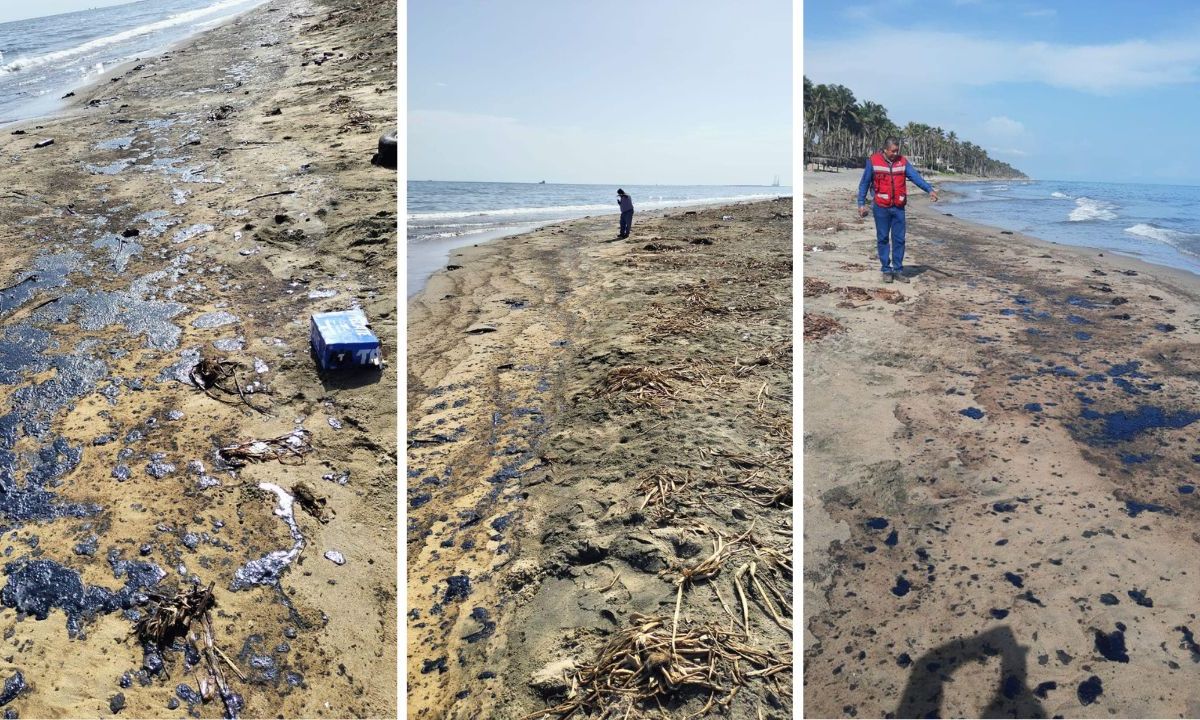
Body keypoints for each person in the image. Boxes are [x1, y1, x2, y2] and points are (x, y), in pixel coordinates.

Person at [857, 137, 938, 283]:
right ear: (885, 150)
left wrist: (929, 190)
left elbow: (915, 177)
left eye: (897, 150)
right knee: (883, 238)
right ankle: (886, 270)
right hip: (881, 206)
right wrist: (861, 203)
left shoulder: (903, 162)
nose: (895, 153)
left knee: (899, 239)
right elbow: (864, 183)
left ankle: (898, 270)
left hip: (898, 207)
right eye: (893, 151)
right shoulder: (873, 161)